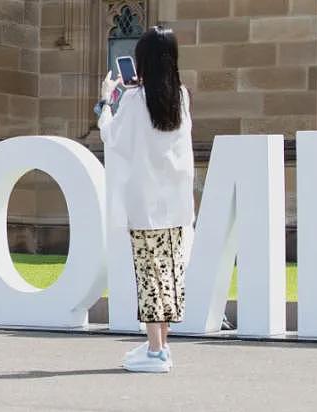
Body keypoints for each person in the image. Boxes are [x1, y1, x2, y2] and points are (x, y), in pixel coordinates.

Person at [95, 27, 194, 374]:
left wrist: (107, 100)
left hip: (144, 202)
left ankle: (155, 350)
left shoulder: (136, 101)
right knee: (168, 273)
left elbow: (112, 136)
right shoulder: (180, 96)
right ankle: (162, 345)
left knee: (149, 275)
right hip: (176, 202)